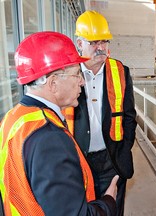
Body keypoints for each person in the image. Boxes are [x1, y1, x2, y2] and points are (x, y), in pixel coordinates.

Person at [0, 31, 119, 216]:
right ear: (53, 83)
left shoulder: (14, 118)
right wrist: (109, 202)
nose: (82, 82)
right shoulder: (49, 138)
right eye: (76, 74)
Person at [64, 10, 137, 216]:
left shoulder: (121, 71)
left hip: (111, 159)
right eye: (94, 42)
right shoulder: (67, 74)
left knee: (113, 210)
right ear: (80, 44)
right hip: (78, 159)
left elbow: (129, 116)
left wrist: (123, 149)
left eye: (104, 41)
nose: (101, 48)